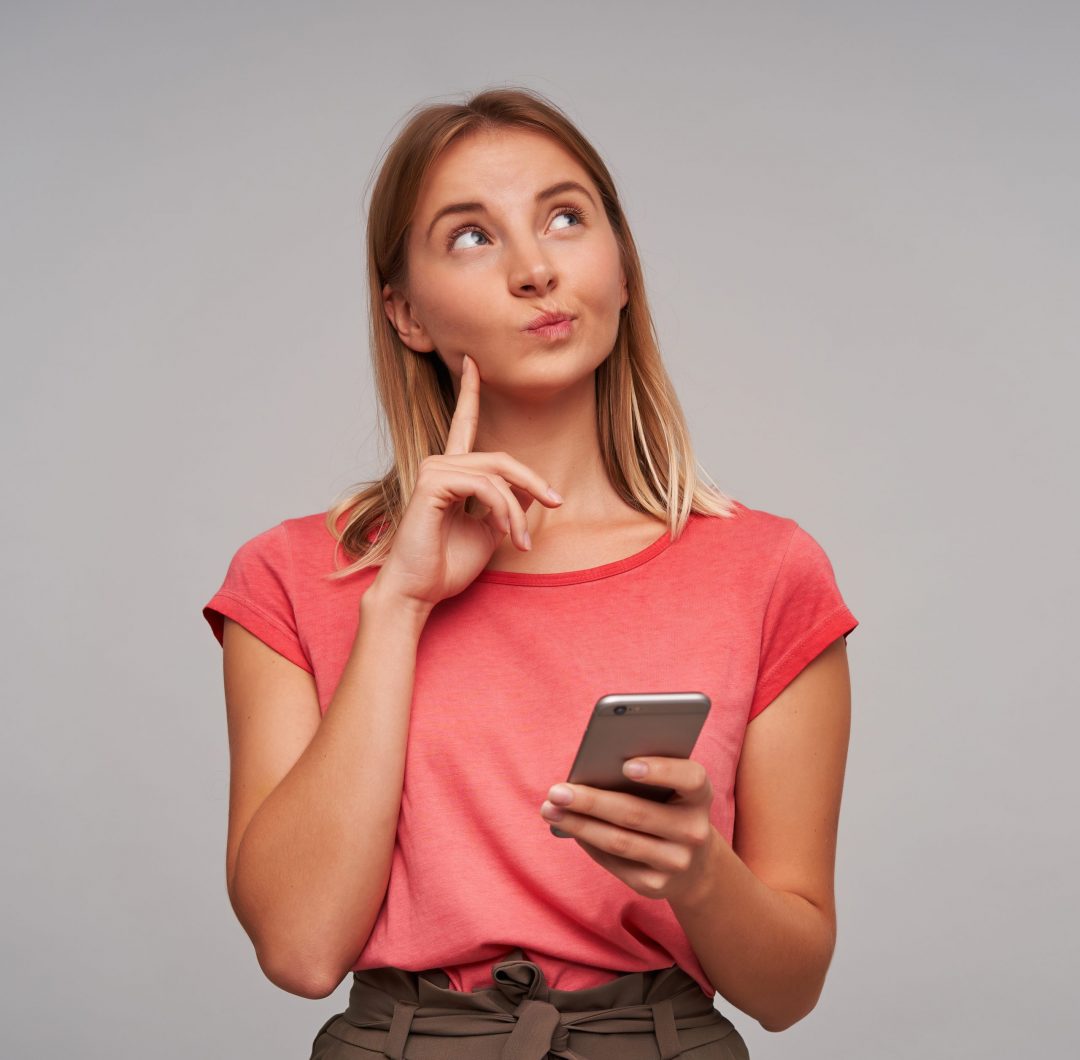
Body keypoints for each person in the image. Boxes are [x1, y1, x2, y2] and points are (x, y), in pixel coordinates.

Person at [202, 86, 858, 1059]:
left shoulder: (767, 570)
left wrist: (700, 874)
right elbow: (299, 948)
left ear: (622, 266)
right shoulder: (292, 575)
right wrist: (398, 604)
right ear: (407, 312)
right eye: (471, 236)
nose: (535, 268)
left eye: (564, 217)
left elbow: (791, 990)